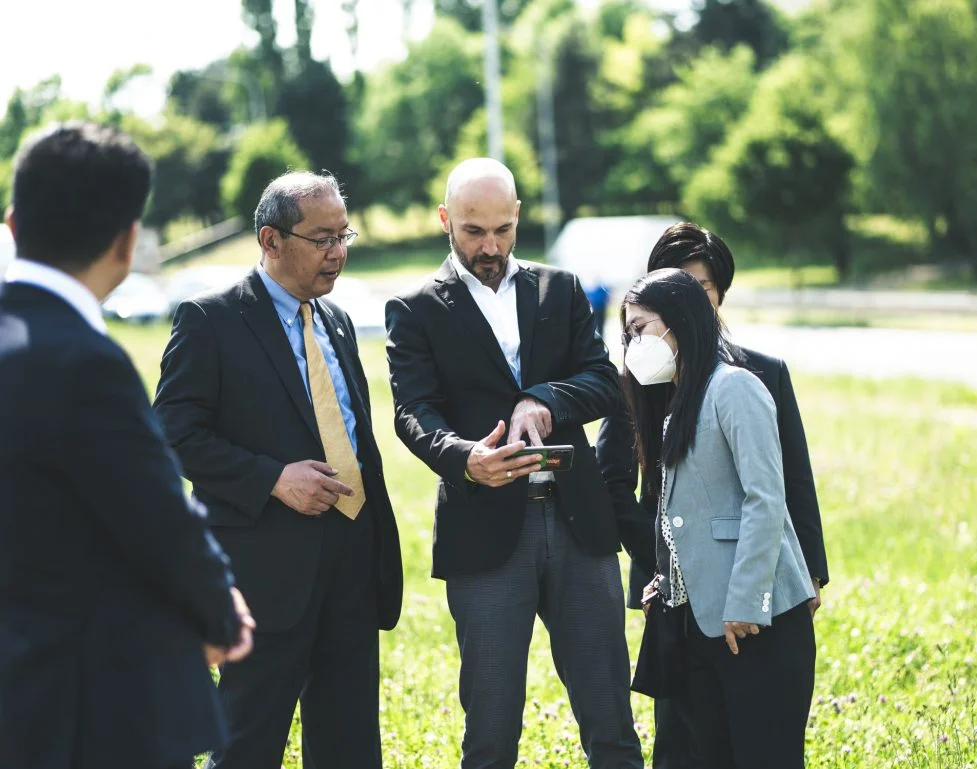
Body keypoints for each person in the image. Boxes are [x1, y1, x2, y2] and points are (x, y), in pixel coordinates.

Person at [0, 121, 254, 769]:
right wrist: (221, 611)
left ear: (12, 222)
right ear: (126, 240)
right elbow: (159, 516)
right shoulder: (86, 363)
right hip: (84, 708)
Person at [385, 158, 643, 769]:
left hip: (580, 524)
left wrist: (546, 399)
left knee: (611, 718)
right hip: (485, 531)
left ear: (518, 216)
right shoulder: (415, 307)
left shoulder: (561, 287)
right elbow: (413, 412)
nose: (491, 246)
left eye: (503, 229)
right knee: (492, 729)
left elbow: (604, 381)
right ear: (446, 220)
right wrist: (465, 458)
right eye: (474, 231)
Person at [153, 171, 403, 769]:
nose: (338, 252)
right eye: (322, 239)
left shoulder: (337, 321)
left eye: (345, 235)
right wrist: (271, 478)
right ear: (270, 239)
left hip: (351, 558)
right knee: (247, 742)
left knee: (349, 743)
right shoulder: (209, 319)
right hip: (265, 572)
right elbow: (170, 434)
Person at [596, 222, 829, 768]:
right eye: (628, 331)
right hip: (688, 611)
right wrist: (667, 577)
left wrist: (754, 596)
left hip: (749, 612)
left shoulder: (739, 383)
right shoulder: (665, 395)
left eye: (641, 327)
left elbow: (771, 494)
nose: (633, 343)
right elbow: (657, 501)